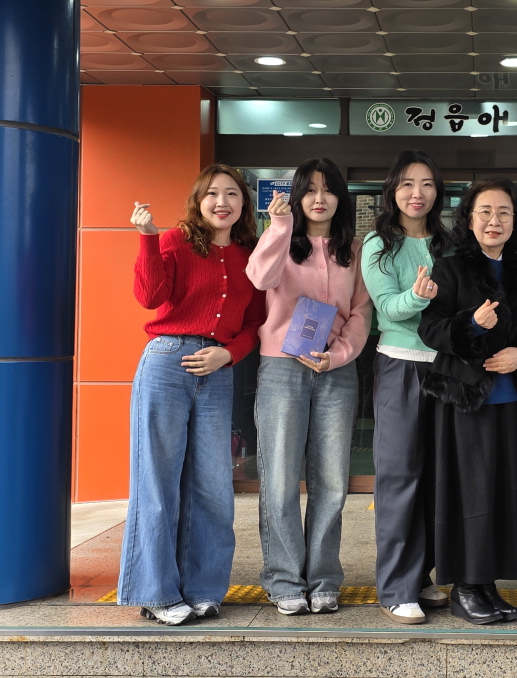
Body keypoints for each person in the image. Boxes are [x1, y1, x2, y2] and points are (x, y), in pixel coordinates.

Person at [117, 164, 266, 626]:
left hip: (218, 370)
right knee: (157, 480)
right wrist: (147, 237)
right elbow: (149, 296)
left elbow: (254, 323)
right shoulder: (174, 242)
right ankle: (156, 592)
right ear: (198, 201)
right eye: (212, 194)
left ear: (243, 204)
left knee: (213, 485)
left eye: (232, 194)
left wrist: (229, 354)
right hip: (168, 361)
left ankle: (203, 588)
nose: (222, 202)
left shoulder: (249, 256)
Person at [418, 177, 517, 626]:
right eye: (485, 212)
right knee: (470, 492)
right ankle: (465, 587)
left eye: (504, 212)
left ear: (515, 220)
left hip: (513, 399)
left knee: (506, 492)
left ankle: (488, 583)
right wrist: (471, 324)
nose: (495, 221)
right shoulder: (450, 267)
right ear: (469, 219)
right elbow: (430, 329)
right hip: (467, 399)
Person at [246, 157, 372, 617]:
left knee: (332, 481)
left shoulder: (353, 249)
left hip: (336, 369)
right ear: (297, 196)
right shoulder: (280, 239)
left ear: (341, 197)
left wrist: (337, 355)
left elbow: (361, 312)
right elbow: (259, 278)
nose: (320, 198)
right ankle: (283, 579)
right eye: (311, 189)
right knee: (280, 478)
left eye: (329, 189)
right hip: (282, 367)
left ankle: (323, 579)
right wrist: (279, 227)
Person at [360, 151, 451, 625]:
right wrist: (417, 296)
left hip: (447, 368)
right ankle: (396, 586)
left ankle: (421, 574)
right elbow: (388, 307)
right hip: (400, 364)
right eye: (408, 184)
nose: (418, 194)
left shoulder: (450, 241)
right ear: (393, 190)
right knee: (399, 476)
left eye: (427, 184)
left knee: (436, 476)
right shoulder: (378, 243)